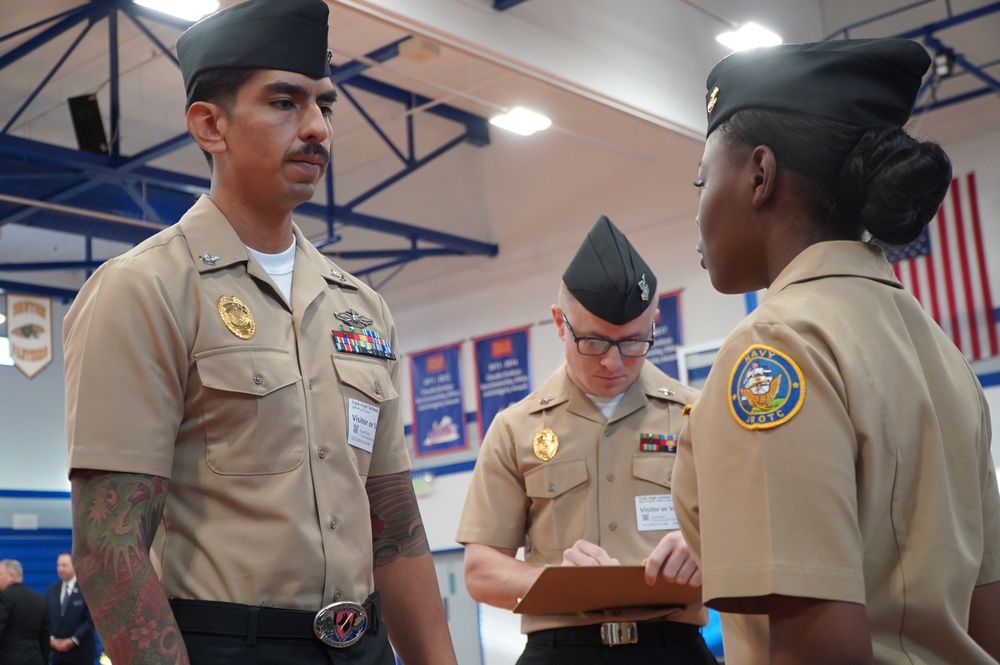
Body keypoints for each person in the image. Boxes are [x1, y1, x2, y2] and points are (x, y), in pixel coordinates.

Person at [62, 1, 458, 664]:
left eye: (324, 106)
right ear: (209, 124)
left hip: (362, 645)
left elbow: (395, 527)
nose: (316, 128)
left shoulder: (359, 309)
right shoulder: (147, 289)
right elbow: (109, 546)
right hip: (227, 647)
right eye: (284, 102)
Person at [672, 38, 1000, 664]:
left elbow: (814, 644)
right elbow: (986, 616)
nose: (696, 212)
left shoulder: (776, 347)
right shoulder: (942, 353)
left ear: (760, 175)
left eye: (701, 181)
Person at [456, 216, 717, 665]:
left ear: (655, 323)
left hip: (673, 649)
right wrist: (558, 583)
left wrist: (710, 545)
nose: (615, 362)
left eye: (634, 342)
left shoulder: (702, 416)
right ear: (560, 323)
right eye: (594, 342)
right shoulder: (515, 428)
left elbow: (765, 532)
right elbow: (481, 572)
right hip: (560, 651)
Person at [45, 553, 96, 665]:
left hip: (81, 652)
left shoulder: (86, 589)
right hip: (57, 654)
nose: (60, 569)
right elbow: (46, 617)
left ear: (75, 565)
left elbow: (91, 619)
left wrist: (73, 640)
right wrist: (51, 640)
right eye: (58, 565)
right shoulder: (52, 590)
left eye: (64, 565)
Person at [0, 559, 51, 665]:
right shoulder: (39, 599)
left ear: (11, 576)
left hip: (8, 660)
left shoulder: (4, 597)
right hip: (35, 659)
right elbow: (45, 636)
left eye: (0, 574)